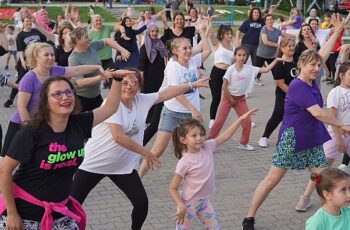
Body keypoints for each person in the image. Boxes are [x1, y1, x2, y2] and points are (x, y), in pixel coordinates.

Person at [241, 14, 350, 230]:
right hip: (292, 139)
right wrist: (341, 124)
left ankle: (330, 219)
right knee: (272, 180)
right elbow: (318, 113)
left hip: (312, 139)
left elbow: (325, 52)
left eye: (318, 66)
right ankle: (249, 217)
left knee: (325, 181)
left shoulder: (311, 81)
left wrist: (338, 31)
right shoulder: (298, 86)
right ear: (301, 64)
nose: (316, 68)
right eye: (311, 65)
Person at [71, 69, 209, 230]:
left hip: (122, 167)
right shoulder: (111, 104)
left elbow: (167, 92)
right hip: (94, 163)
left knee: (141, 203)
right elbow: (118, 137)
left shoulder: (142, 100)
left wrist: (191, 84)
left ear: (139, 86)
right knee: (72, 204)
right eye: (124, 83)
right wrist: (146, 152)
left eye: (134, 83)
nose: (129, 87)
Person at [0, 68, 132, 229]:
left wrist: (117, 80)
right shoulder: (31, 132)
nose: (65, 97)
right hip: (26, 214)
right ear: (45, 101)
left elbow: (110, 108)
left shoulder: (79, 123)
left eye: (69, 93)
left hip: (60, 213)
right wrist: (12, 214)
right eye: (57, 94)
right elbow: (4, 171)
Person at [1, 42, 110, 158]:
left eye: (52, 55)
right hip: (21, 124)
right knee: (6, 158)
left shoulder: (55, 71)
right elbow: (21, 107)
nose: (50, 58)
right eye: (46, 55)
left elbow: (77, 70)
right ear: (36, 57)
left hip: (42, 122)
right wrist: (29, 129)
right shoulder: (29, 78)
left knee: (33, 157)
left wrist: (98, 67)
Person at [139, 28, 211, 178]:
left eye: (190, 47)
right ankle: (138, 177)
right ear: (175, 51)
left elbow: (207, 50)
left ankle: (190, 180)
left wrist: (203, 31)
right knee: (158, 150)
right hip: (172, 112)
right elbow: (176, 93)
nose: (189, 50)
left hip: (189, 115)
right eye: (185, 48)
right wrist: (194, 109)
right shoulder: (173, 66)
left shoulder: (192, 60)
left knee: (191, 150)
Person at [169, 108, 258, 229]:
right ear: (183, 140)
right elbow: (172, 188)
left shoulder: (208, 146)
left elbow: (225, 136)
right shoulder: (184, 162)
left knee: (214, 228)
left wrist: (240, 120)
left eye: (201, 134)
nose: (199, 138)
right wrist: (181, 205)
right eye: (194, 136)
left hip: (204, 201)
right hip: (189, 203)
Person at [295, 62, 350, 212]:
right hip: (336, 133)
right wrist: (339, 138)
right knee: (321, 170)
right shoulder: (336, 92)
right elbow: (331, 117)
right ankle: (305, 198)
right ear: (341, 75)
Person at [207, 47, 281, 151]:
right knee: (219, 121)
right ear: (235, 57)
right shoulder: (231, 69)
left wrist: (276, 60)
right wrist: (230, 99)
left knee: (247, 121)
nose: (242, 57)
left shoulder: (249, 68)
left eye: (244, 55)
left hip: (240, 99)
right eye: (239, 55)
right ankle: (209, 144)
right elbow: (224, 87)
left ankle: (243, 143)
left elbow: (265, 69)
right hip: (228, 97)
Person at [68, 27, 130, 112]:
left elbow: (107, 40)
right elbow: (80, 83)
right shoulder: (73, 58)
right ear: (78, 40)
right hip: (81, 98)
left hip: (96, 95)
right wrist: (101, 77)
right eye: (86, 37)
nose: (89, 38)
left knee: (102, 121)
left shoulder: (92, 46)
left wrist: (122, 50)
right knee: (86, 123)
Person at [258, 34, 297, 148]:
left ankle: (288, 139)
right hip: (284, 95)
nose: (291, 48)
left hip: (297, 95)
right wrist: (293, 95)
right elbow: (279, 83)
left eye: (293, 45)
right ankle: (264, 137)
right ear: (282, 48)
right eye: (288, 46)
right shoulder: (280, 64)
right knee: (278, 115)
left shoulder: (297, 62)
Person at [4, 15, 47, 108]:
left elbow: (45, 43)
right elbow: (20, 50)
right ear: (23, 23)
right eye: (26, 21)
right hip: (26, 62)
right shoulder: (20, 35)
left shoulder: (36, 31)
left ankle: (41, 100)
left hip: (38, 61)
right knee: (20, 80)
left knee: (40, 79)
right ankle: (10, 99)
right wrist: (23, 61)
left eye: (30, 21)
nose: (29, 23)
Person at [138, 24, 169, 146]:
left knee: (158, 98)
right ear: (148, 33)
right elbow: (141, 67)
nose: (155, 33)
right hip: (148, 78)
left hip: (160, 77)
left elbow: (165, 58)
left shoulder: (160, 45)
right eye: (152, 31)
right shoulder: (145, 47)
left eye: (156, 31)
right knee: (149, 99)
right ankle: (148, 122)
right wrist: (141, 81)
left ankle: (155, 120)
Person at [207, 23, 235, 128]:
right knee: (216, 98)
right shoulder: (217, 44)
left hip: (228, 74)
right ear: (222, 35)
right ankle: (212, 119)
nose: (230, 36)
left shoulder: (233, 48)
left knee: (233, 97)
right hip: (216, 73)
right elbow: (210, 34)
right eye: (227, 34)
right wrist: (209, 23)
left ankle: (245, 118)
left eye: (231, 34)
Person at [235, 7, 264, 83]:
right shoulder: (247, 22)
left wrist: (271, 10)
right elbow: (238, 31)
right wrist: (237, 42)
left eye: (257, 12)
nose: (256, 14)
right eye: (254, 12)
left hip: (257, 46)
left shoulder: (261, 22)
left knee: (257, 63)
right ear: (252, 13)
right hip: (246, 45)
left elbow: (268, 17)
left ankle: (257, 78)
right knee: (242, 61)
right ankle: (237, 76)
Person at [254, 14, 281, 86]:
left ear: (273, 20)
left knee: (276, 73)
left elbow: (281, 41)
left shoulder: (278, 31)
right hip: (261, 54)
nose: (270, 20)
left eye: (271, 19)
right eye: (268, 19)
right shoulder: (264, 29)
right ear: (265, 21)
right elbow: (265, 42)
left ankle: (279, 86)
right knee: (256, 72)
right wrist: (277, 45)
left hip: (272, 56)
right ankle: (254, 81)